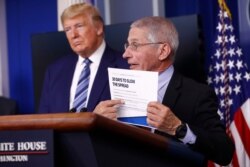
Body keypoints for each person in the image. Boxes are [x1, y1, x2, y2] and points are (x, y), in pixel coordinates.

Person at [93, 16, 234, 165]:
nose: (125, 54)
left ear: (163, 51)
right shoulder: (115, 89)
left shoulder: (198, 94)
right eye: (127, 45)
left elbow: (224, 152)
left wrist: (179, 128)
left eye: (134, 45)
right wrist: (96, 122)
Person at [38, 3, 128, 113]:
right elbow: (44, 119)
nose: (73, 35)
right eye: (67, 29)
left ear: (98, 28)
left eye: (79, 26)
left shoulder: (125, 66)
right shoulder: (54, 71)